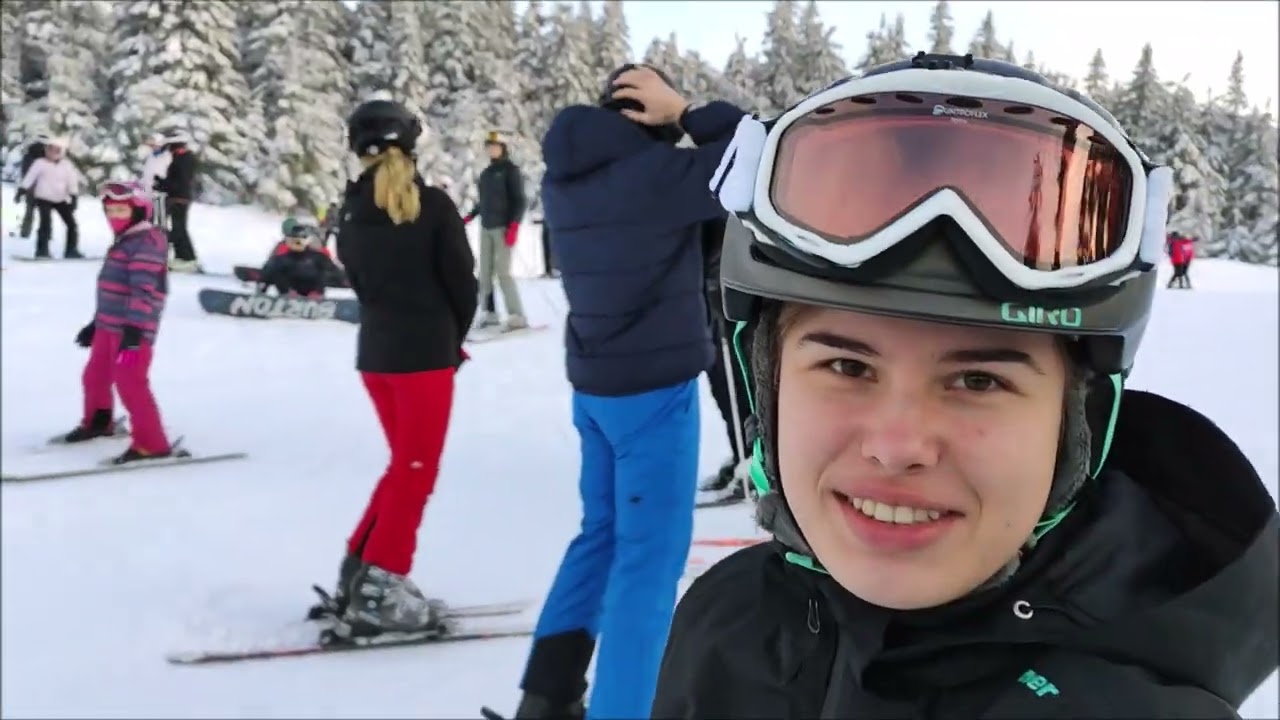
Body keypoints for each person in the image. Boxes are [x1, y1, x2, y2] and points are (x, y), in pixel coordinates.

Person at [652, 54, 1278, 718]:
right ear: (766, 383)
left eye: (978, 380)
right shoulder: (722, 621)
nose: (897, 447)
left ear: (1078, 423)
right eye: (847, 367)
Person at [499, 64, 745, 720]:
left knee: (601, 536)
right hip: (654, 395)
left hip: (596, 389)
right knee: (648, 568)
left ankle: (545, 696)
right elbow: (764, 160)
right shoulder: (655, 178)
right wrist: (690, 111)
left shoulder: (569, 176)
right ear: (649, 111)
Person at [313, 98, 478, 640]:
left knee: (401, 467)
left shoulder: (351, 211)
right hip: (423, 357)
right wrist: (451, 335)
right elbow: (463, 283)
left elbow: (359, 284)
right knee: (416, 472)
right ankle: (382, 585)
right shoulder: (431, 206)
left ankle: (359, 569)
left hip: (377, 357)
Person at [61, 181, 175, 465]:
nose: (115, 216)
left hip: (133, 330)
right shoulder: (127, 239)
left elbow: (143, 291)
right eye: (110, 210)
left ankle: (153, 444)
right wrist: (95, 323)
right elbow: (115, 289)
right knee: (95, 375)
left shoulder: (147, 242)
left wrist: (135, 330)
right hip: (109, 326)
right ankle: (99, 420)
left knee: (130, 382)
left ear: (139, 211)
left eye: (122, 209)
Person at [697, 214, 754, 503]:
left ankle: (755, 465)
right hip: (707, 285)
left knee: (740, 378)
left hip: (728, 283)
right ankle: (741, 454)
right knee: (722, 383)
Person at [464, 130, 528, 331]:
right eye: (489, 146)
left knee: (503, 272)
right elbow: (483, 202)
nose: (491, 149)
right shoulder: (486, 174)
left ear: (503, 148)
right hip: (486, 227)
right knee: (484, 273)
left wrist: (514, 225)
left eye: (495, 146)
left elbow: (519, 200)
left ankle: (517, 315)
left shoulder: (510, 171)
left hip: (503, 227)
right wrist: (469, 216)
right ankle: (490, 313)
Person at [19, 136, 82, 259]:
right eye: (50, 149)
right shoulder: (40, 163)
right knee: (45, 224)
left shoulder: (67, 165)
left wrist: (74, 196)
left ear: (61, 152)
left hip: (60, 199)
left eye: (56, 150)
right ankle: (42, 250)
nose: (52, 153)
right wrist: (22, 190)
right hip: (43, 198)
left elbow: (71, 181)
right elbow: (30, 177)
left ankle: (71, 250)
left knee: (72, 224)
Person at [257, 219, 342, 298]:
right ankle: (289, 293)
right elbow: (266, 274)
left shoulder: (318, 257)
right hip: (289, 297)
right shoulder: (280, 258)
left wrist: (318, 290)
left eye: (299, 241)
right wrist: (262, 290)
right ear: (287, 241)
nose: (297, 244)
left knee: (322, 270)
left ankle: (316, 294)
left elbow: (336, 274)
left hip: (314, 298)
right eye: (293, 241)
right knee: (276, 269)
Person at [153, 131, 200, 272]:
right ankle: (182, 256)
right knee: (178, 227)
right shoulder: (182, 158)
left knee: (178, 228)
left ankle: (187, 258)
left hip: (178, 197)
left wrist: (161, 184)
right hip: (177, 196)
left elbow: (179, 181)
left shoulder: (183, 159)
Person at [11, 133, 48, 240]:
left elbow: (25, 173)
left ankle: (25, 232)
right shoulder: (46, 156)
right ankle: (45, 235)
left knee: (29, 211)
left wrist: (20, 192)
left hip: (31, 188)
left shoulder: (29, 155)